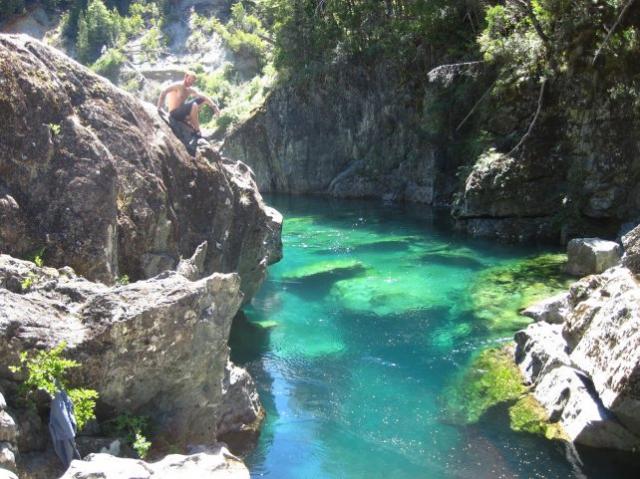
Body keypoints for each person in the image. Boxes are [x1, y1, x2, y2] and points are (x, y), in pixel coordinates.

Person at [157, 71, 220, 136]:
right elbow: (164, 91)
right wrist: (159, 107)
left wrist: (215, 107)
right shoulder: (178, 85)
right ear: (185, 77)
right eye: (189, 79)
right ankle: (197, 130)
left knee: (203, 99)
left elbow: (203, 96)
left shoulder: (189, 90)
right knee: (194, 105)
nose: (190, 82)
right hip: (174, 113)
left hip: (182, 112)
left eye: (192, 81)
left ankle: (190, 120)